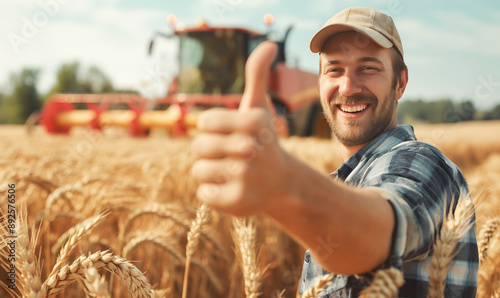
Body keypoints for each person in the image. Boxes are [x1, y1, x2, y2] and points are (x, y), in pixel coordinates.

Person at [191, 6, 478, 297]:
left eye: (368, 68)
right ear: (319, 82)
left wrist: (284, 184)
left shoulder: (421, 162)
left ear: (400, 82)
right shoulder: (346, 183)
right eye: (334, 70)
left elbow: (381, 231)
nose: (348, 87)